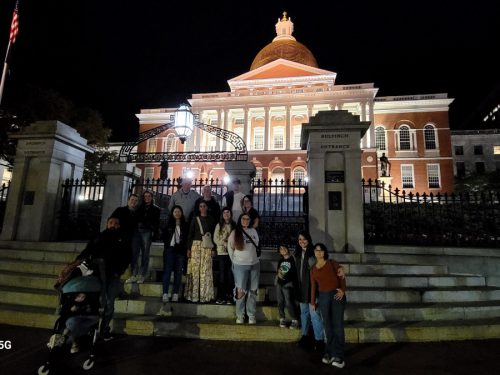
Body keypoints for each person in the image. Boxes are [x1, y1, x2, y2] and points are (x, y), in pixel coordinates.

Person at [76, 216, 131, 341]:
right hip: (97, 275)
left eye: (116, 223)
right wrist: (77, 261)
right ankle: (91, 329)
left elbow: (126, 257)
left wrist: (119, 271)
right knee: (95, 302)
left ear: (119, 226)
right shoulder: (99, 237)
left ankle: (104, 328)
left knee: (109, 303)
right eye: (111, 222)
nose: (113, 225)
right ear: (107, 224)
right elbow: (88, 250)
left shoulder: (122, 240)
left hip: (113, 276)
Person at [310, 243, 347, 369]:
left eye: (321, 250)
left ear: (325, 252)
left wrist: (343, 290)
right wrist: (313, 302)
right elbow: (313, 287)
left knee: (338, 326)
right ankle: (329, 353)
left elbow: (341, 276)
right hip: (323, 297)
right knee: (328, 326)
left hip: (336, 295)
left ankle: (339, 356)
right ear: (314, 252)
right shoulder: (313, 269)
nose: (319, 252)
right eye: (316, 250)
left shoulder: (332, 263)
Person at [294, 230, 325, 349]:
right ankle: (305, 336)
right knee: (304, 313)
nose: (302, 241)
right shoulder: (296, 253)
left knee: (315, 314)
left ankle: (319, 340)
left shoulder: (314, 252)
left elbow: (321, 266)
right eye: (300, 239)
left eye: (304, 239)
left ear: (309, 240)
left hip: (312, 288)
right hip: (302, 288)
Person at [227, 213, 260, 324]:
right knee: (240, 291)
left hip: (254, 264)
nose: (245, 220)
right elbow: (230, 248)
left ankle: (251, 315)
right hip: (240, 265)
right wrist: (235, 261)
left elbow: (257, 244)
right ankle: (240, 315)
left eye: (247, 218)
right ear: (240, 220)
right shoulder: (235, 232)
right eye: (243, 218)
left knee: (253, 291)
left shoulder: (254, 231)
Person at [184, 201, 217, 303]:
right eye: (200, 206)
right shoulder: (195, 219)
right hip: (195, 246)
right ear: (199, 208)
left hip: (207, 247)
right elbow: (190, 234)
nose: (202, 208)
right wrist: (188, 248)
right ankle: (194, 295)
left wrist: (214, 248)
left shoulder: (211, 219)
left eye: (204, 206)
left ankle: (205, 295)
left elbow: (213, 235)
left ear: (207, 207)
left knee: (205, 271)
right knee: (195, 271)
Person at [128, 190, 161, 284]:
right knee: (134, 253)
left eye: (149, 196)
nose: (147, 198)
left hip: (147, 231)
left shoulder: (156, 209)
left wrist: (152, 229)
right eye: (145, 196)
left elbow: (156, 223)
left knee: (145, 254)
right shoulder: (139, 207)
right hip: (136, 231)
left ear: (152, 197)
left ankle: (142, 274)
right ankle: (134, 274)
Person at [162, 205, 188, 303]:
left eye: (179, 211)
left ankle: (175, 293)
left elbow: (186, 238)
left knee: (178, 273)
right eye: (175, 211)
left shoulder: (185, 225)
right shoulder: (168, 224)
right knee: (167, 272)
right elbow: (163, 236)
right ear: (172, 213)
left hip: (180, 251)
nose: (177, 213)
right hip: (170, 250)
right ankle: (165, 293)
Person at [213, 207, 236, 304]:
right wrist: (224, 243)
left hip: (232, 253)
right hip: (222, 253)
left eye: (228, 212)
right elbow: (215, 239)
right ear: (222, 215)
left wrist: (230, 244)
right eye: (224, 212)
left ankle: (230, 296)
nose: (226, 214)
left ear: (230, 214)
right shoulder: (219, 225)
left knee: (230, 275)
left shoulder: (234, 225)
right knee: (222, 275)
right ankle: (221, 296)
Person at [276, 244, 299, 329]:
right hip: (279, 283)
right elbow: (279, 270)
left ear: (287, 249)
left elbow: (295, 272)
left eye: (284, 248)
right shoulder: (280, 260)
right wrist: (279, 277)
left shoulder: (293, 259)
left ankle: (295, 319)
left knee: (289, 302)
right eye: (281, 249)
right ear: (280, 252)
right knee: (280, 302)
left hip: (288, 283)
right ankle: (282, 318)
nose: (283, 250)